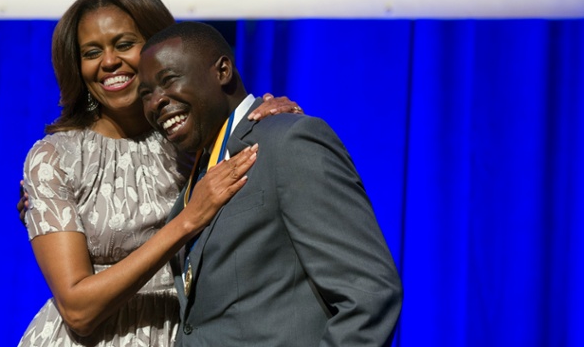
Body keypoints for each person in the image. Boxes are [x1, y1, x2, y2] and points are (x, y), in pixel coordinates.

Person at [17, 0, 302, 347]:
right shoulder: (56, 158)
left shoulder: (197, 140)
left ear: (159, 47)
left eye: (124, 44)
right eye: (92, 52)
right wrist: (188, 219)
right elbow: (79, 311)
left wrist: (268, 116)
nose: (108, 62)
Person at [138, 21, 403, 347]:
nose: (155, 103)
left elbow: (368, 291)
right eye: (146, 95)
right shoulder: (190, 191)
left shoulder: (288, 141)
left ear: (222, 71)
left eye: (169, 81)